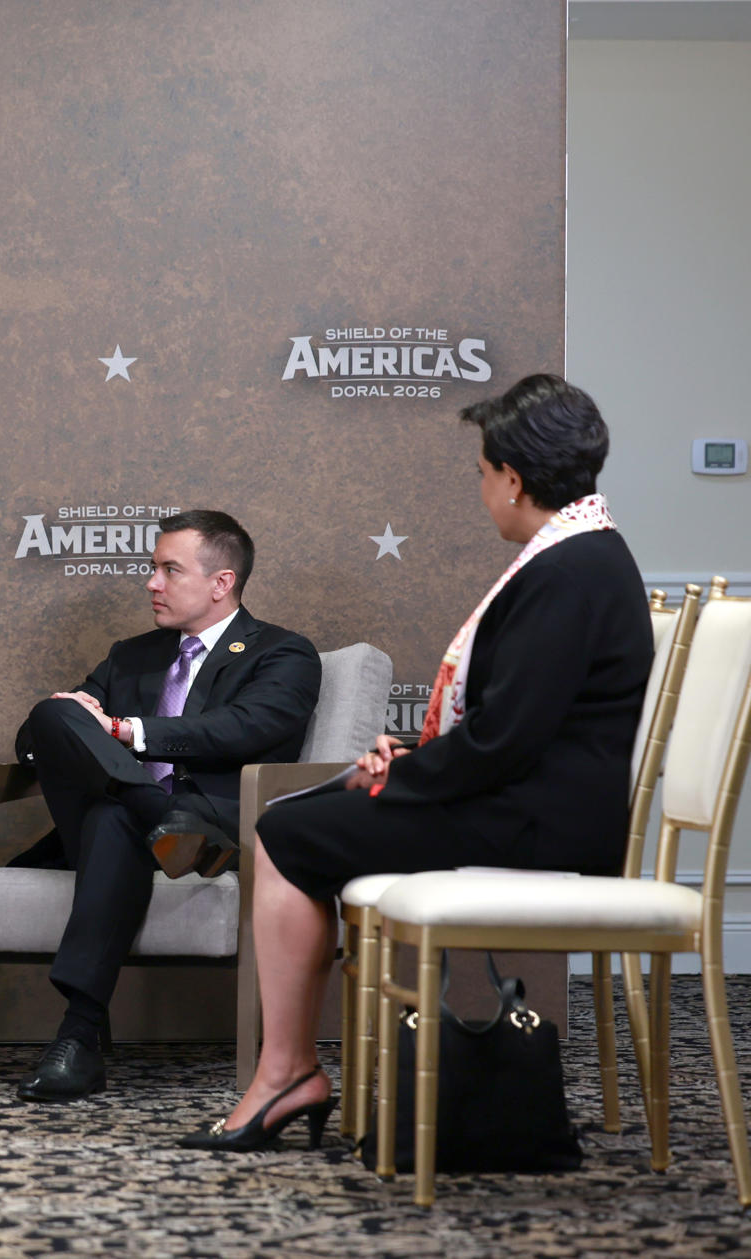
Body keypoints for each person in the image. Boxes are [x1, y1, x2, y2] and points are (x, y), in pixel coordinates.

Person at [189, 374, 653, 1152]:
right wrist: (407, 756)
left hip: (539, 825)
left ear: (513, 476)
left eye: (481, 473)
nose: (481, 490)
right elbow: (516, 722)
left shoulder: (570, 572)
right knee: (297, 821)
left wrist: (396, 775)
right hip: (537, 803)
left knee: (284, 832)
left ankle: (287, 1074)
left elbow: (506, 740)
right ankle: (290, 1070)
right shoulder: (583, 555)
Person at [11, 510, 322, 1103]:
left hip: (211, 830)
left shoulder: (281, 653)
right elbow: (39, 743)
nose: (151, 583)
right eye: (152, 569)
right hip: (172, 834)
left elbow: (247, 727)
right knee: (54, 714)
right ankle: (153, 813)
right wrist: (66, 722)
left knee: (109, 817)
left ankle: (78, 1039)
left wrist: (126, 731)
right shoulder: (131, 655)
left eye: (168, 570)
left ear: (221, 583)